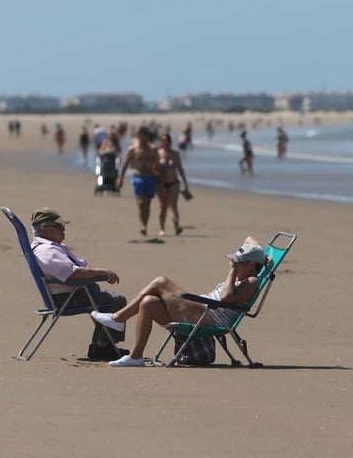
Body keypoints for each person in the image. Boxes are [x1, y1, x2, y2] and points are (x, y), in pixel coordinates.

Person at [91, 239, 269, 367]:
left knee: (161, 281)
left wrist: (233, 270)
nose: (234, 264)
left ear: (251, 265)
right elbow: (249, 239)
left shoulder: (252, 281)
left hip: (211, 317)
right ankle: (135, 356)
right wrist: (265, 257)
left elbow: (225, 298)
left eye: (239, 262)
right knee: (149, 302)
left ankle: (118, 319)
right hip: (202, 310)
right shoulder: (248, 271)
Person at [29, 208, 128, 359]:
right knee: (117, 301)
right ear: (45, 229)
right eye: (59, 227)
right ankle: (103, 347)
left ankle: (102, 346)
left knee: (105, 301)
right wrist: (103, 273)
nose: (63, 230)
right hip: (68, 297)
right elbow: (73, 273)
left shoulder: (50, 247)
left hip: (74, 292)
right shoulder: (46, 251)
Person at [118, 126, 160, 236]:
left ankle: (145, 225)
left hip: (150, 177)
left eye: (144, 135)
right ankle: (142, 225)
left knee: (148, 204)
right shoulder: (133, 149)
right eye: (140, 135)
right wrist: (121, 179)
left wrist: (159, 179)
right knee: (141, 203)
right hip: (138, 177)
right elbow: (126, 164)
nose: (142, 138)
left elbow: (158, 165)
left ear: (147, 136)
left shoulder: (153, 149)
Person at [155, 132, 190, 237]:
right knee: (163, 206)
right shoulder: (157, 153)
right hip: (161, 184)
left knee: (173, 205)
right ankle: (162, 228)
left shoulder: (175, 154)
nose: (165, 143)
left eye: (167, 141)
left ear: (170, 142)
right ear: (161, 142)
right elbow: (154, 169)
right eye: (163, 141)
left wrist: (185, 182)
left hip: (174, 183)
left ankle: (176, 227)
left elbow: (180, 168)